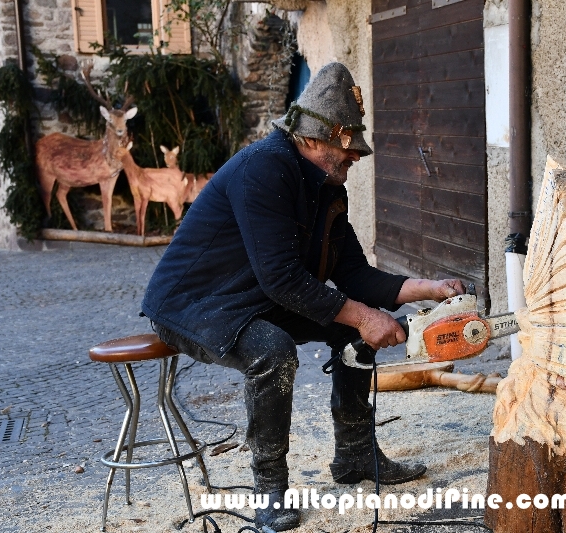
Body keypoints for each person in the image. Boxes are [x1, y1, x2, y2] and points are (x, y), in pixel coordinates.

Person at [141, 62, 464, 531]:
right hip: (195, 304)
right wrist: (365, 317)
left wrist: (426, 290)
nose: (353, 162)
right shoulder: (264, 169)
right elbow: (282, 278)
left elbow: (352, 272)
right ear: (312, 139)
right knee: (274, 349)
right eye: (347, 151)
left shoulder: (328, 187)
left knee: (353, 331)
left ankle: (354, 453)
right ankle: (270, 489)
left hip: (256, 297)